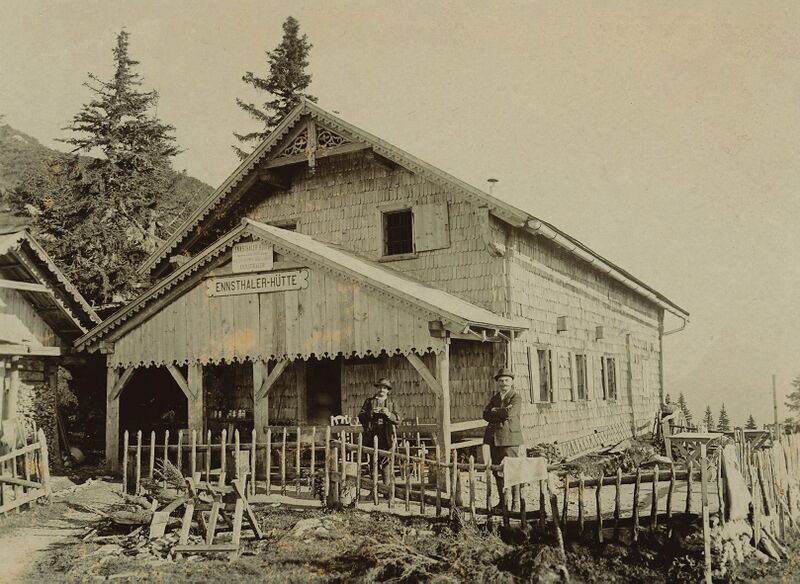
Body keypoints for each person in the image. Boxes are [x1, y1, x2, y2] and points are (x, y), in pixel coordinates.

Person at [483, 367, 523, 510]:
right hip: (494, 439)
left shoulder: (515, 397)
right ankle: (503, 502)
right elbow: (485, 414)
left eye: (506, 380)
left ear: (512, 382)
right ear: (497, 383)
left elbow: (509, 413)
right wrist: (497, 411)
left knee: (513, 470)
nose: (503, 383)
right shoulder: (495, 397)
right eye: (501, 380)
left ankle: (516, 503)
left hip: (509, 439)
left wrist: (496, 411)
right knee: (498, 470)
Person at [358, 378, 401, 484]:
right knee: (373, 462)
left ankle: (386, 489)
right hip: (372, 434)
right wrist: (371, 412)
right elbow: (361, 417)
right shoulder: (369, 401)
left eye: (384, 388)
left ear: (388, 390)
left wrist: (389, 414)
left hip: (386, 435)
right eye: (380, 387)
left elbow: (399, 419)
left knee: (386, 461)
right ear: (377, 388)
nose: (382, 389)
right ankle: (374, 490)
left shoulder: (392, 402)